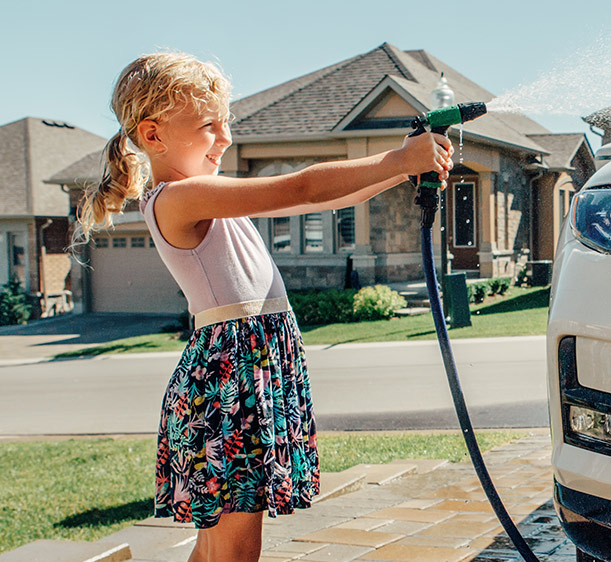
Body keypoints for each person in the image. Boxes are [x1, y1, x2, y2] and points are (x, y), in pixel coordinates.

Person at [72, 52, 452, 562]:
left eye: (225, 122)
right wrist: (402, 160)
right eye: (210, 125)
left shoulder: (207, 196)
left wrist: (404, 168)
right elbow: (301, 185)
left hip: (246, 372)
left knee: (216, 549)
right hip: (230, 384)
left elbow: (315, 201)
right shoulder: (178, 198)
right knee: (234, 550)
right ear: (154, 135)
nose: (226, 137)